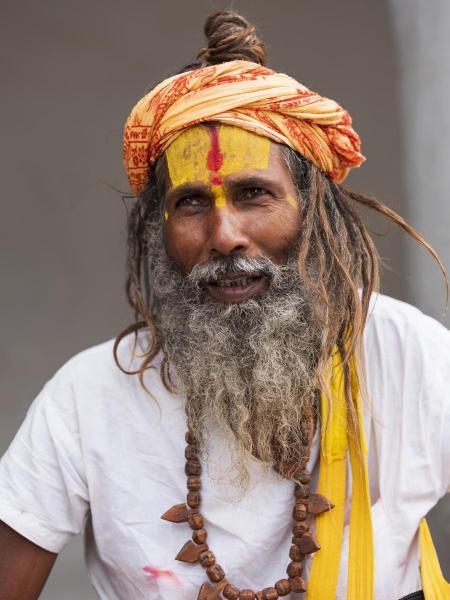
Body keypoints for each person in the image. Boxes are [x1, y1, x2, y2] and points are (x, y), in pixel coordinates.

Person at [0, 10, 449, 600]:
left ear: (312, 209)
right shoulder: (88, 397)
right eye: (191, 204)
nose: (224, 234)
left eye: (254, 194)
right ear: (158, 229)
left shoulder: (409, 354)